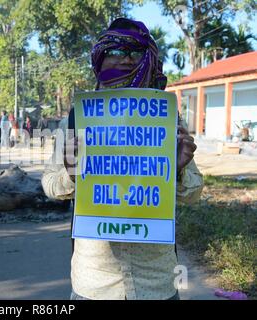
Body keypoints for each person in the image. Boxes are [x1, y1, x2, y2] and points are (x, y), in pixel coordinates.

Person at [41, 18, 203, 301]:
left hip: (156, 282)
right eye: (116, 52)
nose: (127, 61)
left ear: (148, 58)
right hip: (95, 282)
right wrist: (70, 174)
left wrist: (178, 170)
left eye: (136, 53)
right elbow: (50, 185)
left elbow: (192, 195)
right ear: (100, 59)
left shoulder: (165, 117)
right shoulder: (79, 117)